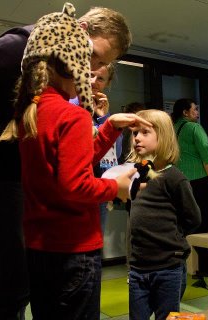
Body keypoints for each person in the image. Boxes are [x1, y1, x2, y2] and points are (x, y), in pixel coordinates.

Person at [0, 3, 131, 319]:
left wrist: (105, 127)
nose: (92, 68)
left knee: (29, 276)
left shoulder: (62, 84)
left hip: (24, 178)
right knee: (14, 279)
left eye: (101, 64)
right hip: (3, 174)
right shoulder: (27, 42)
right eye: (95, 55)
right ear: (81, 31)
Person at [0, 4, 148, 319]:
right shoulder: (73, 115)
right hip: (74, 252)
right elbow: (75, 184)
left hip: (39, 249)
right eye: (92, 63)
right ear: (74, 62)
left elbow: (69, 163)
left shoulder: (31, 112)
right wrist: (115, 187)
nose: (93, 74)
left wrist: (108, 127)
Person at [126, 109, 201, 320]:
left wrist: (172, 239)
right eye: (134, 133)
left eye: (144, 132)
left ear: (163, 137)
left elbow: (193, 218)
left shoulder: (174, 178)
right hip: (139, 268)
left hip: (168, 267)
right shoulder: (135, 176)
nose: (137, 137)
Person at [171, 98, 208, 233]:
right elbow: (206, 156)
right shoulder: (194, 128)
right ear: (185, 112)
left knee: (185, 219)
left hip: (179, 180)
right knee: (203, 219)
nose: (197, 112)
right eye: (195, 109)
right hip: (199, 180)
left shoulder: (172, 129)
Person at [91, 63, 123, 235]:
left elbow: (115, 153)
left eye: (100, 78)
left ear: (107, 83)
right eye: (89, 75)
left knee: (95, 245)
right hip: (73, 188)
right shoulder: (70, 105)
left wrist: (104, 118)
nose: (93, 82)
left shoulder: (103, 115)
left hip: (99, 189)